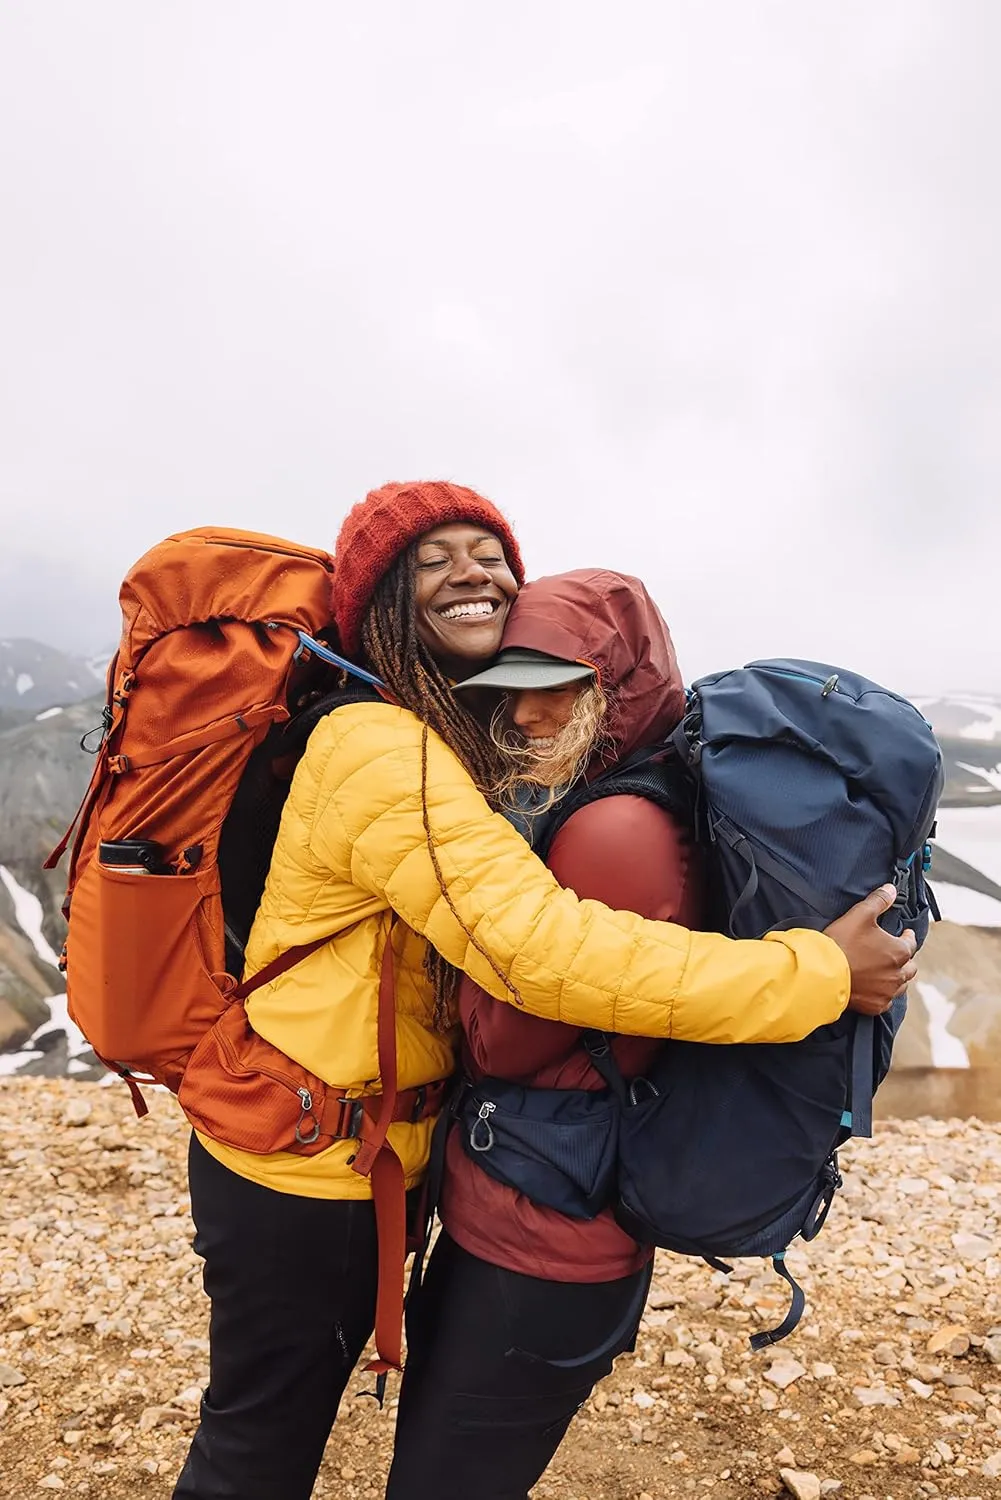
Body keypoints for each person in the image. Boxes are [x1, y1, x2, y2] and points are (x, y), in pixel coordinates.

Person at [173, 483, 916, 1500]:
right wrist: (818, 973)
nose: (471, 571)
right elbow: (542, 954)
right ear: (378, 603)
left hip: (359, 1149)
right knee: (258, 1445)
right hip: (303, 1166)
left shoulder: (445, 749)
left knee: (271, 1425)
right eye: (430, 561)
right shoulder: (380, 752)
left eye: (488, 553)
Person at [386, 568, 701, 1497]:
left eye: (553, 687)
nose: (523, 716)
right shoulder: (636, 800)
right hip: (548, 1207)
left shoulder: (609, 832)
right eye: (509, 692)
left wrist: (463, 975)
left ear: (616, 689)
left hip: (541, 1238)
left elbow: (505, 1045)